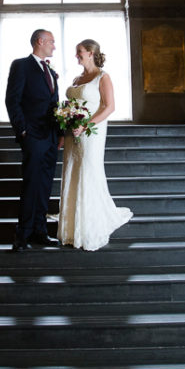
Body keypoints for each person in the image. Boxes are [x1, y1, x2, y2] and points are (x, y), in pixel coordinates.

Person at [55, 39, 132, 250]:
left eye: (79, 52)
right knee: (72, 171)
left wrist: (86, 125)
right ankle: (71, 225)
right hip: (72, 133)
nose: (76, 55)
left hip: (91, 133)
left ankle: (88, 226)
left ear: (91, 53)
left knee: (88, 171)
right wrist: (65, 132)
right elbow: (69, 107)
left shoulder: (102, 77)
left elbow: (109, 107)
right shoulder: (77, 78)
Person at [5, 29, 63, 252]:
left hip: (50, 137)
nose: (54, 46)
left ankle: (40, 231)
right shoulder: (21, 65)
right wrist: (22, 131)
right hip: (33, 135)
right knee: (31, 185)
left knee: (45, 185)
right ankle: (22, 235)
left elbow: (54, 104)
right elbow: (13, 100)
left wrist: (59, 133)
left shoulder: (49, 69)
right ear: (40, 41)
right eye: (51, 42)